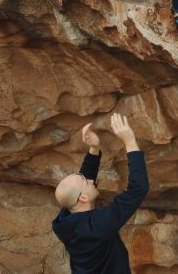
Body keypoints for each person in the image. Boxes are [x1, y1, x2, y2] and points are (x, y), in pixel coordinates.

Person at [52, 114, 149, 273]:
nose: (91, 180)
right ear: (83, 198)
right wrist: (130, 141)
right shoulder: (98, 225)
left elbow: (82, 183)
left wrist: (94, 148)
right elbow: (137, 190)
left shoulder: (64, 222)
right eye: (86, 181)